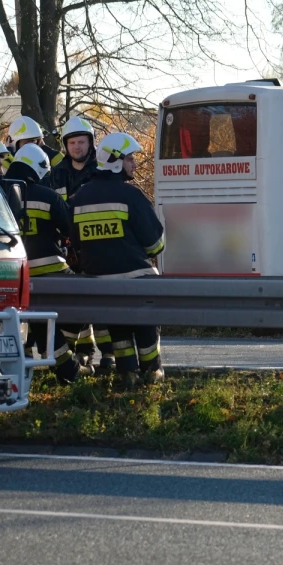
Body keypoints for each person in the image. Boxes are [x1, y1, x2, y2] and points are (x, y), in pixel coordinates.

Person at [69, 132, 166, 386]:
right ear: (115, 161)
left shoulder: (80, 197)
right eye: (130, 158)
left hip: (98, 281)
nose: (134, 163)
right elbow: (156, 244)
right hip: (136, 277)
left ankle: (126, 371)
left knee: (117, 324)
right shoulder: (130, 196)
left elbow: (76, 243)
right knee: (147, 321)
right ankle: (152, 369)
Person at [2, 144, 87, 383]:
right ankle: (69, 353)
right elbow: (73, 230)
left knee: (37, 316)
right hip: (51, 270)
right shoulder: (49, 196)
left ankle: (63, 362)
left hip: (10, 275)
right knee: (88, 297)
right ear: (39, 170)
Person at [49, 116, 109, 371]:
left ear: (90, 143)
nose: (77, 147)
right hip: (67, 249)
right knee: (74, 302)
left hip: (96, 245)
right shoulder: (56, 174)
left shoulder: (101, 172)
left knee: (104, 303)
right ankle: (83, 351)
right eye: (72, 142)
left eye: (81, 142)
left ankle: (110, 356)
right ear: (65, 145)